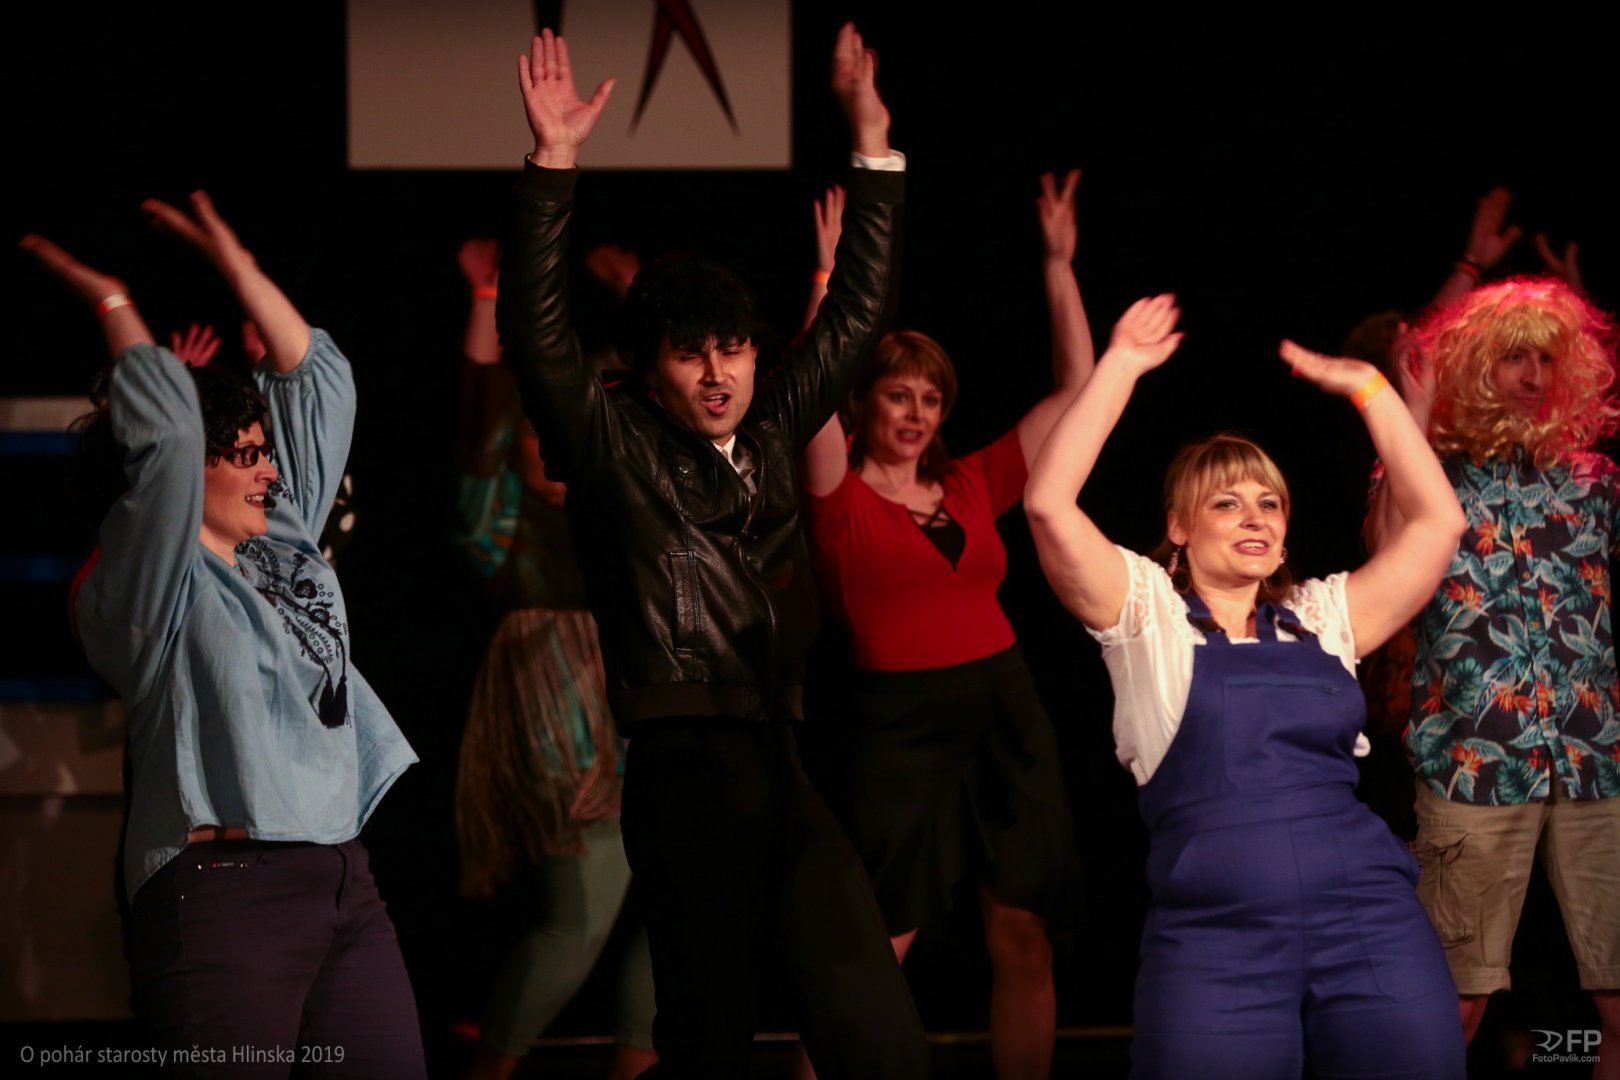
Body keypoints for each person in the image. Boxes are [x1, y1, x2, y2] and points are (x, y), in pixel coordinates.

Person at [497, 26, 929, 1079]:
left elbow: (858, 314)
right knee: (709, 1040)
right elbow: (537, 332)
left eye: (731, 349)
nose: (718, 373)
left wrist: (872, 142)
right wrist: (554, 164)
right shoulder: (613, 442)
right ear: (652, 370)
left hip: (779, 757)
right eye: (691, 355)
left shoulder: (772, 427)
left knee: (876, 1028)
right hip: (682, 768)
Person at [22, 194, 424, 1075]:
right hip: (227, 891)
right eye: (245, 454)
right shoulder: (146, 585)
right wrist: (112, 300)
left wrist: (235, 263)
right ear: (183, 478)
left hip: (344, 881)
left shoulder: (281, 537)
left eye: (263, 450)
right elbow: (169, 432)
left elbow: (322, 379)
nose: (269, 470)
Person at [1023, 295, 1468, 1077]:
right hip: (1216, 942)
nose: (1254, 516)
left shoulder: (1323, 616)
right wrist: (1121, 364)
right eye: (1225, 503)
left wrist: (1371, 390)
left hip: (1368, 922)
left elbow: (1440, 524)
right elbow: (1048, 503)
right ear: (1179, 528)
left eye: (1269, 503)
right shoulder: (1147, 617)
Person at [798, 170, 1089, 1078]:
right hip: (903, 730)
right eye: (899, 395)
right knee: (876, 949)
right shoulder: (836, 495)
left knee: (1023, 933)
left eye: (930, 398)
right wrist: (827, 285)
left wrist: (1058, 266)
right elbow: (810, 390)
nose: (917, 413)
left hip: (1005, 710)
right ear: (867, 403)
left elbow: (1079, 389)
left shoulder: (969, 482)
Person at [1367, 276, 1620, 1071]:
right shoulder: (1431, 472)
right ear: (1477, 365)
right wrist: (1411, 419)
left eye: (1547, 359)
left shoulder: (1594, 480)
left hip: (1594, 760)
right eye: (1514, 357)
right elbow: (1382, 555)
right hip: (1474, 762)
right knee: (1455, 1002)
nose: (1534, 376)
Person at [451, 238, 656, 1080]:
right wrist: (486, 298)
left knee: (672, 910)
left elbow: (662, 397)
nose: (554, 450)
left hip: (644, 703)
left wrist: (638, 291)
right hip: (562, 712)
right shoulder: (502, 522)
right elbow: (481, 408)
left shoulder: (617, 507)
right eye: (538, 435)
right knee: (578, 916)